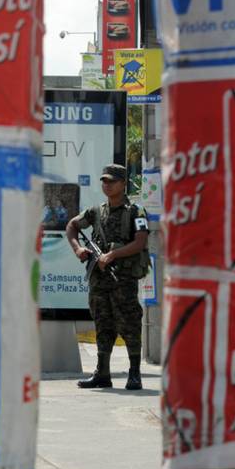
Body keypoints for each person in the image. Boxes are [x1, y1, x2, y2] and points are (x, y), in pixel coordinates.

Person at [66, 164, 149, 390]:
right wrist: (78, 250)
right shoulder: (95, 211)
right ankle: (102, 372)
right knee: (103, 323)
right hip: (99, 280)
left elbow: (140, 242)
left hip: (123, 279)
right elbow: (72, 226)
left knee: (130, 323)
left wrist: (112, 255)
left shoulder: (136, 212)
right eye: (104, 181)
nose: (107, 185)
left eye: (111, 181)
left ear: (123, 184)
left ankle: (134, 374)